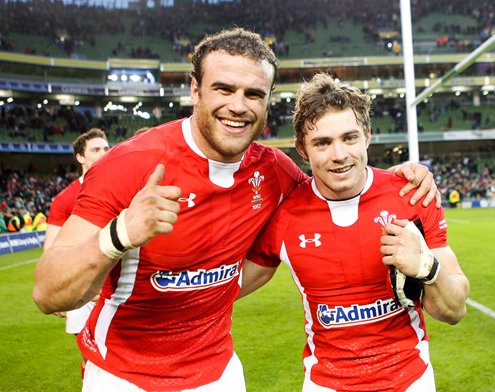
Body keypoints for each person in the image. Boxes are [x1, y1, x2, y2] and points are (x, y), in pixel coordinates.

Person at [33, 28, 439, 392]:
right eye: (223, 89)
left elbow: (336, 183)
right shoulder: (131, 165)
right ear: (195, 91)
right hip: (123, 376)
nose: (238, 106)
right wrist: (118, 234)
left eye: (253, 94)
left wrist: (404, 176)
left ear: (266, 102)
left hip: (221, 373)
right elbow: (48, 292)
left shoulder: (275, 171)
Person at [241, 73, 470, 391]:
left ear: (367, 135)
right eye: (323, 142)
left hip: (410, 381)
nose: (338, 155)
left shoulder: (412, 195)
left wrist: (427, 268)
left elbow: (455, 310)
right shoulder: (284, 216)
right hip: (326, 384)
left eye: (349, 138)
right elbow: (221, 289)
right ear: (302, 150)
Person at [44, 127, 110, 379]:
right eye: (96, 149)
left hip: (116, 285)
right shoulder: (65, 199)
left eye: (106, 148)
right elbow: (51, 249)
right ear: (80, 157)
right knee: (87, 353)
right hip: (81, 286)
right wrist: (58, 289)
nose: (104, 153)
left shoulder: (125, 186)